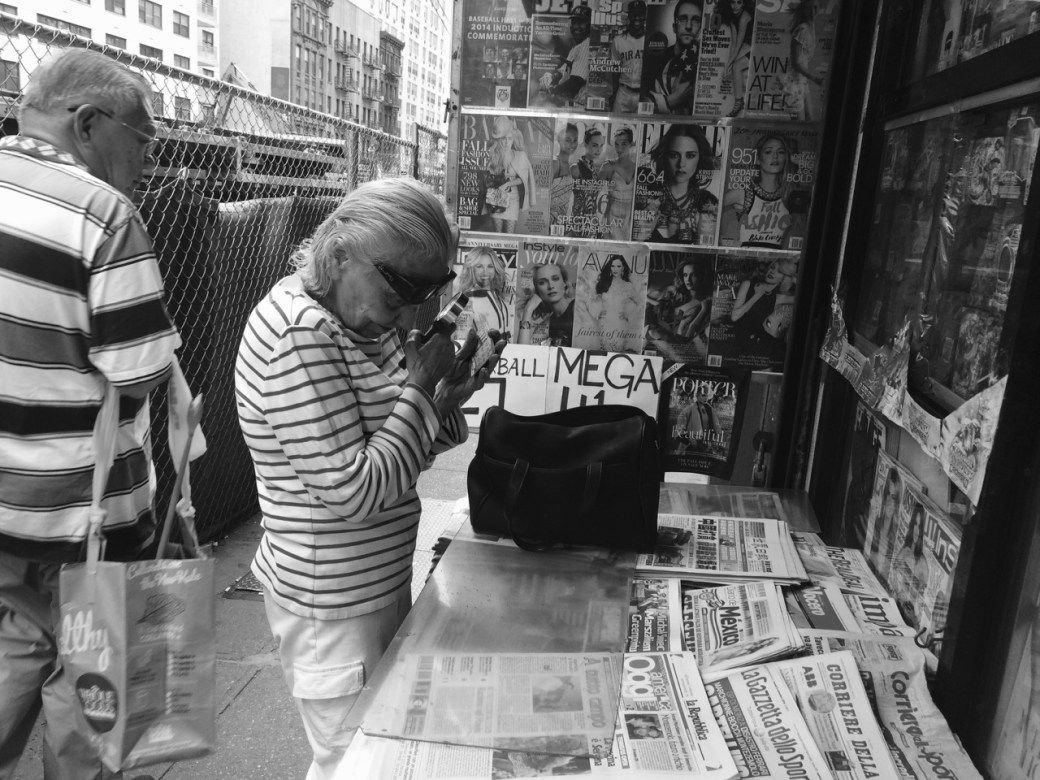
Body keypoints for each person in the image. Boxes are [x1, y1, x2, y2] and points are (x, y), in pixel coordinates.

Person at [235, 178, 500, 779]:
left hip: (369, 586)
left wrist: (441, 394)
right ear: (338, 254)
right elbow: (356, 491)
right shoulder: (300, 334)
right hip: (333, 605)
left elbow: (405, 450)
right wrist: (420, 390)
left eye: (426, 294)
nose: (407, 312)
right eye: (401, 289)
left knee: (368, 752)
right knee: (355, 761)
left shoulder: (360, 322)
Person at [0, 49, 179, 779]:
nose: (148, 162)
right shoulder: (102, 214)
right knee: (91, 709)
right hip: (90, 523)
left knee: (13, 657)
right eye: (142, 141)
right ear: (86, 123)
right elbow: (140, 375)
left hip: (4, 516)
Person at [721, 134, 798, 248]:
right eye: (768, 152)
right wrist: (723, 241)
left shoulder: (791, 195)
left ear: (786, 158)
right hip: (745, 257)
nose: (775, 156)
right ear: (757, 159)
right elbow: (710, 207)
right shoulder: (742, 194)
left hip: (777, 258)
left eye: (781, 152)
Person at [648, 123, 718, 244]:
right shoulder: (648, 195)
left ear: (700, 158)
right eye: (674, 155)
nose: (681, 164)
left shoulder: (707, 202)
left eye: (690, 156)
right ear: (664, 156)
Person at [645, 257, 713, 361]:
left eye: (693, 275)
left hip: (676, 348)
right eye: (685, 275)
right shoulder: (676, 294)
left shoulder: (704, 303)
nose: (688, 280)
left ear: (702, 276)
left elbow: (689, 332)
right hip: (656, 337)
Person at [729, 258, 797, 353]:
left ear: (784, 278)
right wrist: (757, 295)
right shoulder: (748, 284)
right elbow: (734, 317)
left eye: (779, 271)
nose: (772, 272)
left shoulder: (776, 298)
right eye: (772, 267)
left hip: (757, 340)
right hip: (736, 339)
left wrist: (794, 278)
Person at [648, 0, 702, 114]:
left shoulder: (703, 60)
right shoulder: (656, 61)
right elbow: (644, 105)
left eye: (696, 20)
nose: (688, 26)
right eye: (682, 19)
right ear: (674, 27)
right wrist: (672, 100)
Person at [485, 115, 536, 234]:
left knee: (510, 234)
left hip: (513, 198)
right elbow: (488, 177)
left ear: (513, 140)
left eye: (509, 139)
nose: (506, 142)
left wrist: (508, 183)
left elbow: (524, 179)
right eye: (503, 139)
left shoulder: (520, 156)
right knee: (497, 234)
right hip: (497, 196)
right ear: (499, 139)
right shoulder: (494, 155)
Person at [538, 4, 592, 108]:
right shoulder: (577, 47)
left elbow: (574, 84)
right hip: (572, 105)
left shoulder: (586, 46)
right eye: (574, 22)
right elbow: (562, 71)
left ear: (589, 25)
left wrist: (552, 90)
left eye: (581, 23)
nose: (575, 26)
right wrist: (551, 77)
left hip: (580, 106)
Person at [586, 254, 641, 352]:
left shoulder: (628, 286)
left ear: (623, 268)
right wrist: (597, 313)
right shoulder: (603, 283)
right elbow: (589, 299)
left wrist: (629, 316)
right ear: (610, 267)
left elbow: (640, 303)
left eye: (618, 266)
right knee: (604, 352)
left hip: (620, 325)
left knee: (617, 352)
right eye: (612, 266)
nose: (615, 269)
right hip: (604, 324)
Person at [455, 245, 513, 340]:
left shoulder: (499, 295)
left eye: (490, 266)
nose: (485, 272)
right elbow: (460, 340)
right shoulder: (465, 301)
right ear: (472, 269)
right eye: (479, 266)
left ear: (495, 268)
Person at [784, 0, 826, 120]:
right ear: (803, 10)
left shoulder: (811, 27)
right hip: (793, 83)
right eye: (808, 8)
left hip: (802, 81)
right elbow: (795, 63)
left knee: (809, 119)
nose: (812, 11)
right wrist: (814, 78)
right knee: (799, 124)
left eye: (815, 7)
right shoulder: (802, 30)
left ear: (820, 8)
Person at [517, 261, 576, 347]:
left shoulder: (576, 307)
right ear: (537, 290)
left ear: (564, 283)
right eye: (542, 282)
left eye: (555, 279)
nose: (551, 286)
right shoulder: (546, 324)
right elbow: (522, 350)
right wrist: (528, 310)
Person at [598, 125, 637, 241]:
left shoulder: (638, 167)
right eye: (617, 144)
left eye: (624, 143)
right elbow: (593, 191)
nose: (620, 148)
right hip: (613, 213)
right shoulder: (608, 166)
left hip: (631, 214)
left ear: (631, 144)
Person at [717, 0, 754, 117]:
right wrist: (728, 64)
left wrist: (729, 64)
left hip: (756, 48)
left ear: (744, 4)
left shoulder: (744, 17)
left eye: (739, 2)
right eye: (733, 2)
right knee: (733, 66)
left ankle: (739, 102)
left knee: (736, 66)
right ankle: (739, 102)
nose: (735, 6)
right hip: (747, 47)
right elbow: (733, 44)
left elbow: (739, 43)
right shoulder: (732, 19)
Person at [609, 0, 647, 113]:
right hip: (623, 92)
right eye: (634, 14)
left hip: (643, 93)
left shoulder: (650, 40)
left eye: (640, 14)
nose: (637, 18)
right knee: (615, 122)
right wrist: (614, 93)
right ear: (629, 16)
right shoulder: (618, 40)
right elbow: (615, 71)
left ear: (645, 16)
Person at [569, 125, 606, 237]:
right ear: (585, 144)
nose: (599, 150)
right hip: (579, 222)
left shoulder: (594, 169)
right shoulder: (576, 168)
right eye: (595, 145)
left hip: (592, 222)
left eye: (601, 146)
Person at [868, 466, 903, 582]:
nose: (889, 501)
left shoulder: (895, 537)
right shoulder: (875, 525)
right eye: (887, 493)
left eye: (894, 497)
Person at [549, 122, 578, 230]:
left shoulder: (573, 166)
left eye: (575, 140)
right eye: (568, 140)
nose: (572, 144)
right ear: (559, 140)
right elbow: (542, 197)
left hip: (566, 222)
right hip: (550, 221)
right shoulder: (555, 163)